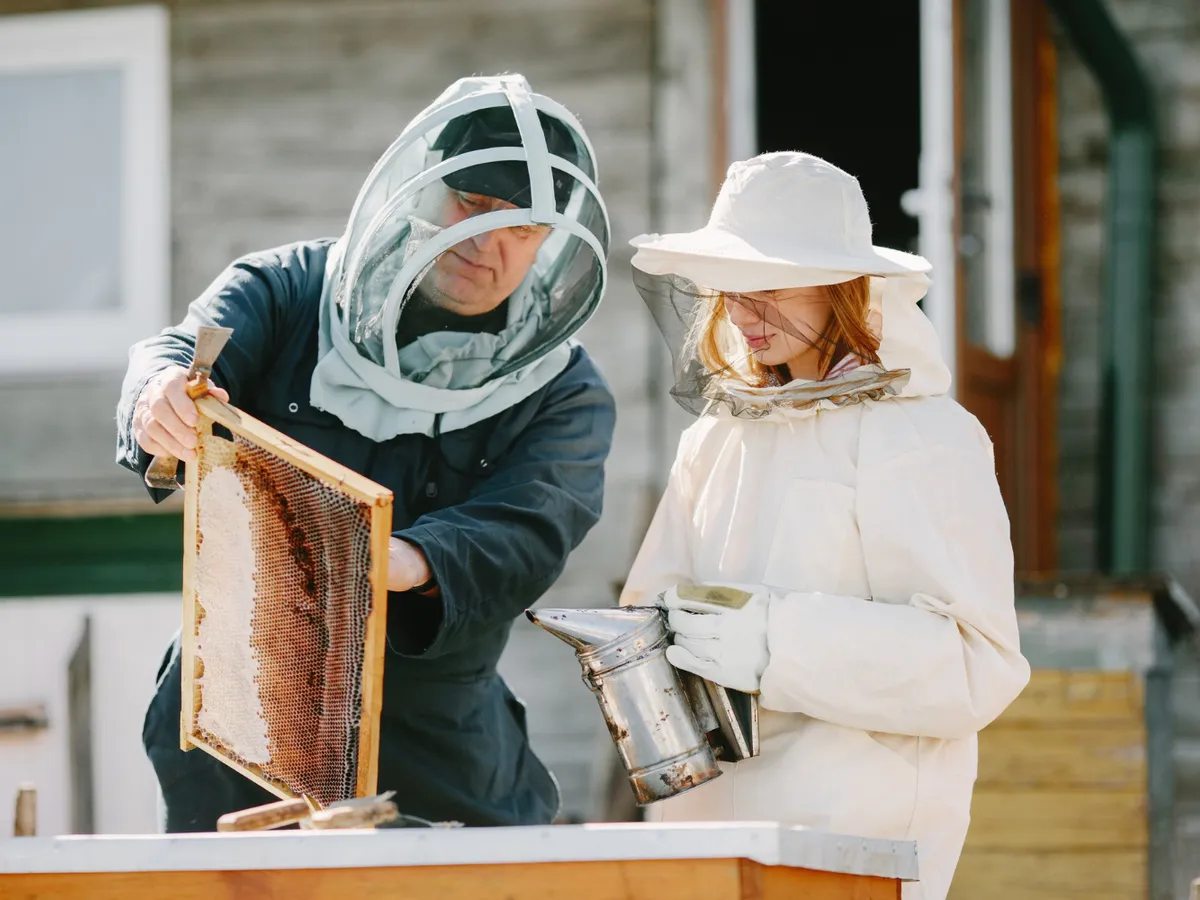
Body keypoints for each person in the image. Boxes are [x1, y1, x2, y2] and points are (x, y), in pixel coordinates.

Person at [117, 74, 615, 831]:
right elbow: (178, 352)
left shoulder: (566, 390)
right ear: (419, 187)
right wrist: (158, 396)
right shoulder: (282, 291)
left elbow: (533, 526)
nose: (486, 243)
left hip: (439, 749)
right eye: (470, 205)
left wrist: (388, 558)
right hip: (239, 716)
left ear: (551, 244)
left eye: (522, 229)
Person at [620, 152, 1030, 900]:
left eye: (766, 288)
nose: (741, 315)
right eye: (729, 291)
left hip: (852, 847)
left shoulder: (924, 436)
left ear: (842, 286)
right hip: (704, 844)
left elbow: (977, 665)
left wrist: (777, 642)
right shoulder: (715, 437)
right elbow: (652, 617)